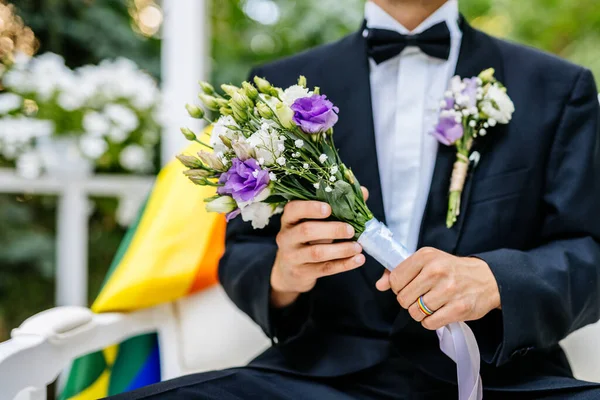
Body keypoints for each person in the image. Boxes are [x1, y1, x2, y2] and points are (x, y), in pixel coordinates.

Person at [111, 0, 600, 398]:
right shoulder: (280, 91)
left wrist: (496, 281)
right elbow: (242, 253)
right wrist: (284, 276)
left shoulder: (559, 87)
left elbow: (589, 253)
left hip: (506, 378)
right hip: (321, 379)